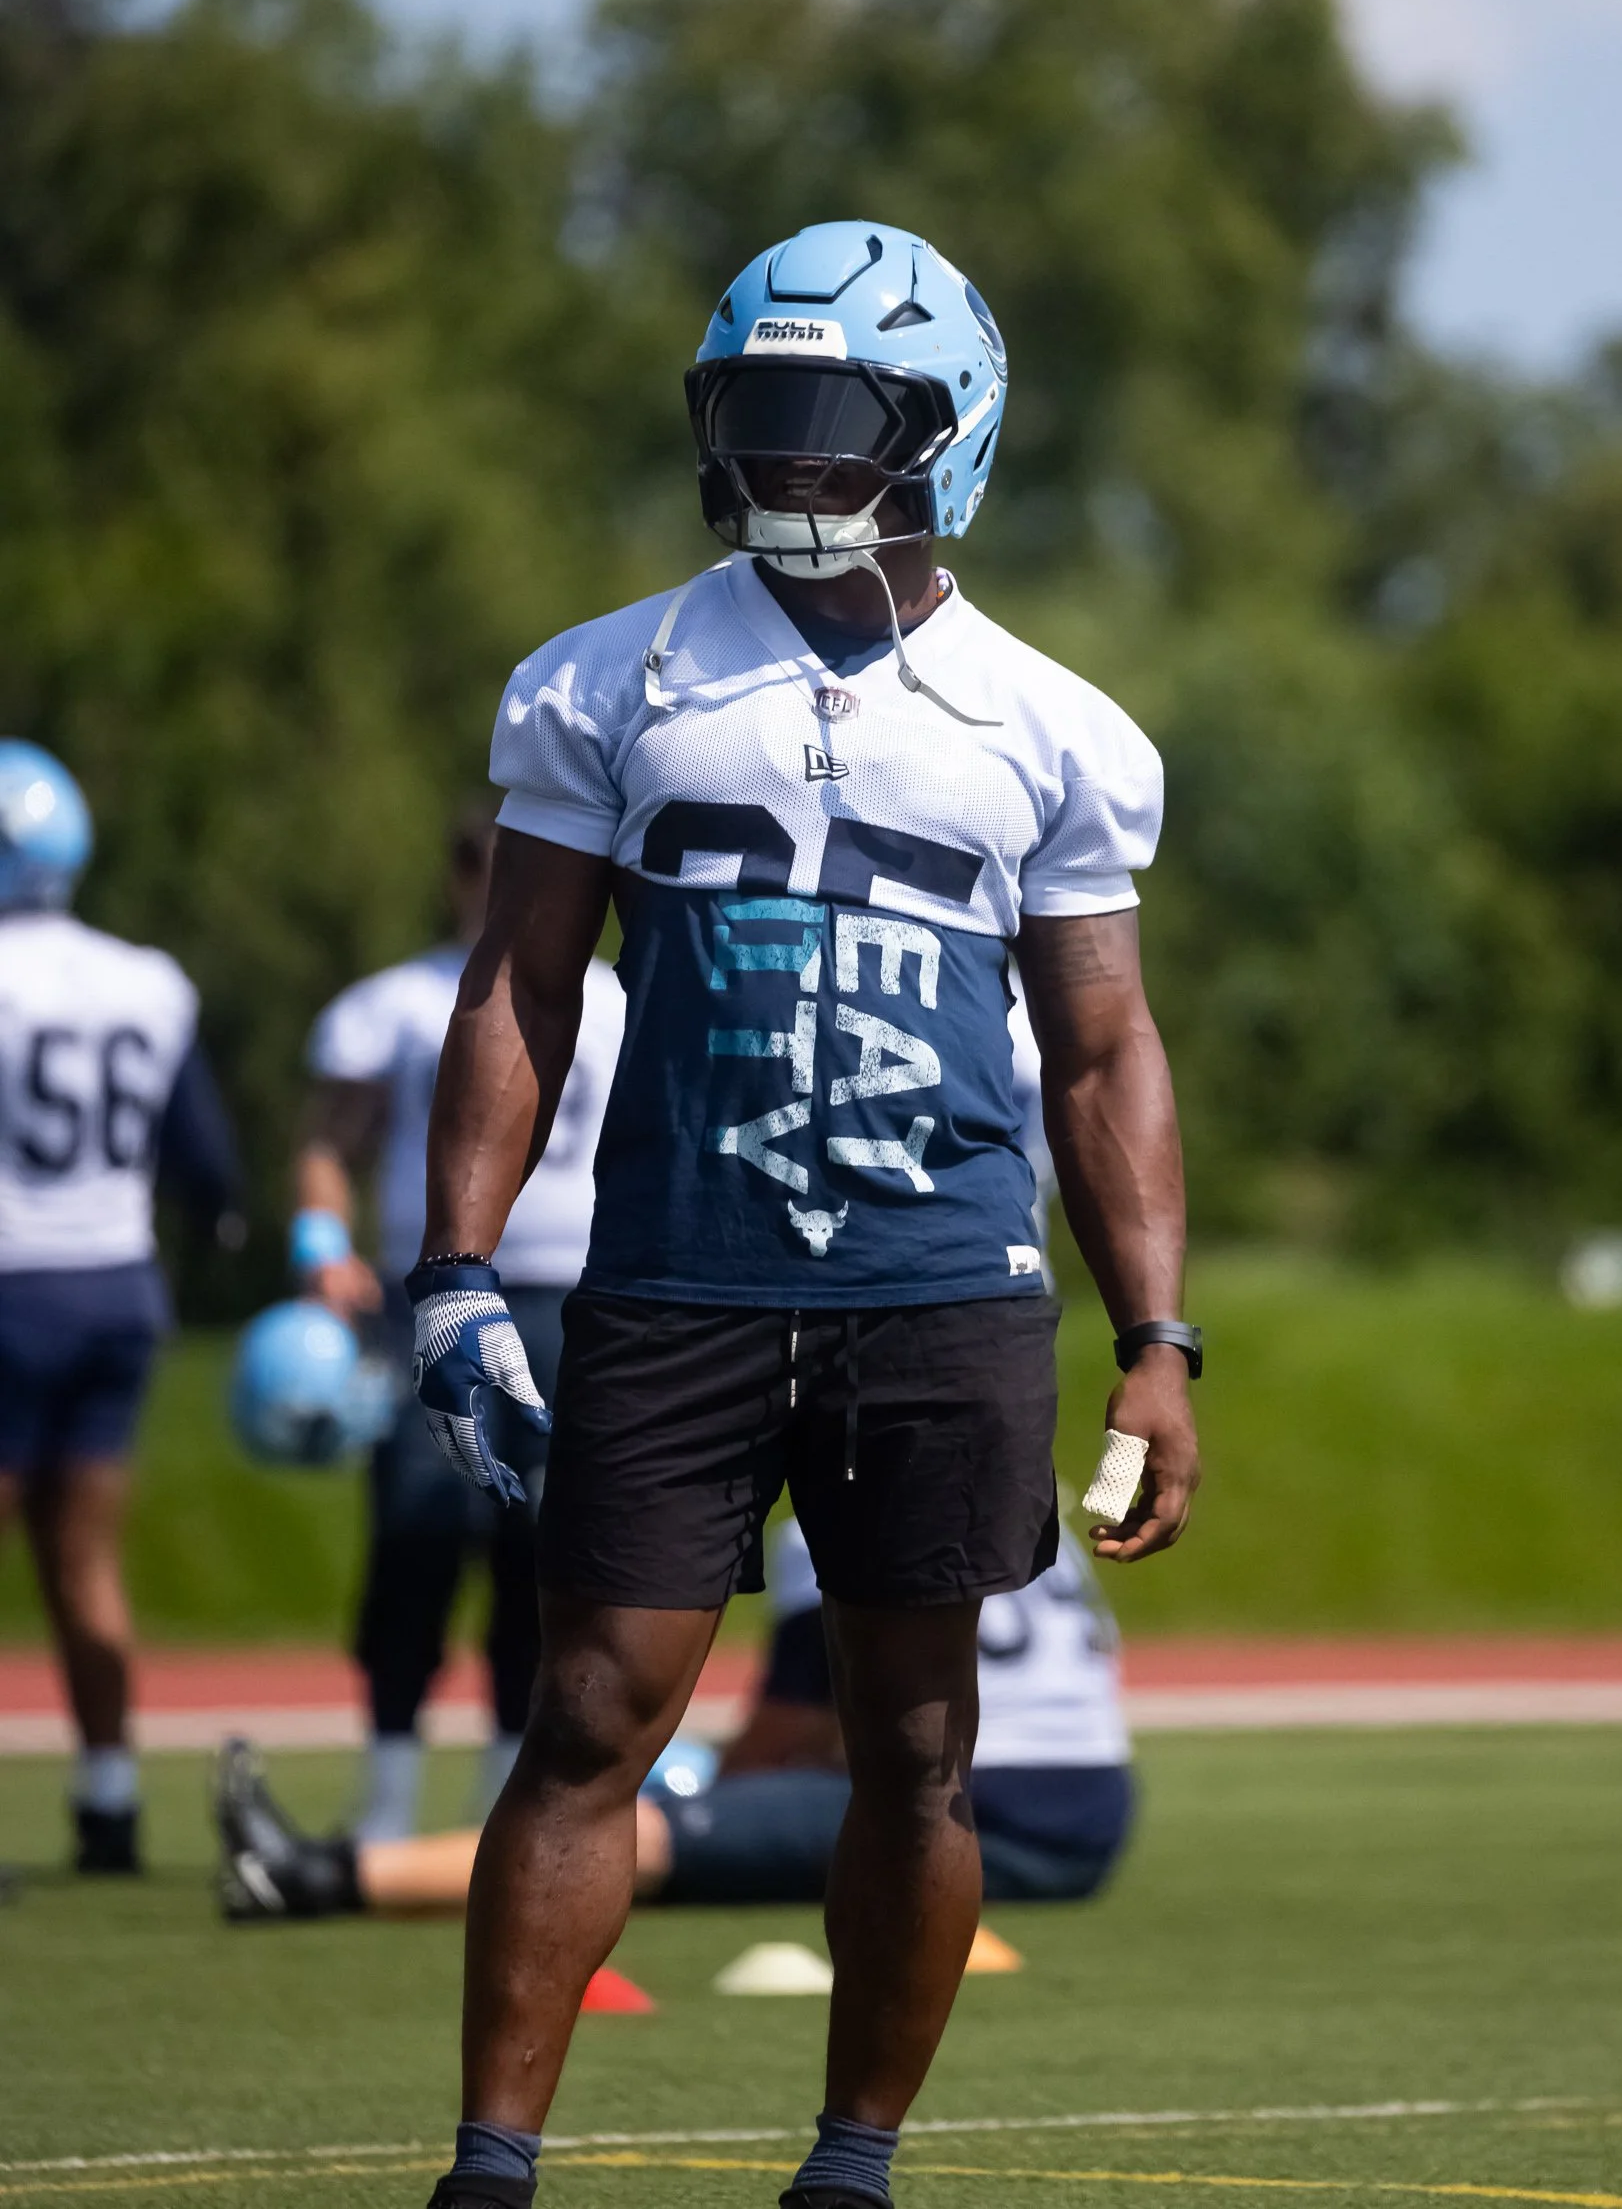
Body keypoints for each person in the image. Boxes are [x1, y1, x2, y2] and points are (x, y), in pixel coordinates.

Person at [406, 220, 1197, 2209]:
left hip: (938, 1285)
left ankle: (852, 2170)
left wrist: (1159, 1341)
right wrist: (456, 1271)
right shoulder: (606, 680)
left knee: (915, 1745)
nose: (786, 456)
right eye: (756, 411)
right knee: (590, 1713)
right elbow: (518, 984)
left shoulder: (1057, 728)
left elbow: (1103, 1054)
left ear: (950, 431)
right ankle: (490, 2171)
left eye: (833, 416)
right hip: (680, 1268)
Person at [212, 1513, 1134, 1918]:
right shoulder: (1024, 1502)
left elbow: (782, 1734)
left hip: (982, 1805)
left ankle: (319, 1877)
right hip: (1094, 1805)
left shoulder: (831, 1528)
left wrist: (710, 1805)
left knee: (625, 1827)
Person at [294, 808, 625, 1837]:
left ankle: (504, 1792)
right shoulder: (395, 1004)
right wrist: (321, 1246)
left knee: (541, 1551)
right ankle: (389, 1794)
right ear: (455, 877)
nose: (497, 884)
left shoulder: (620, 998)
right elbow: (329, 1139)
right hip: (439, 1290)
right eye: (482, 867)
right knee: (417, 1537)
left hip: (574, 1295)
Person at [0, 741, 246, 1872]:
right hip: (114, 1285)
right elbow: (207, 1163)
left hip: (11, 1280)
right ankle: (109, 1799)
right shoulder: (145, 979)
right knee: (84, 1557)